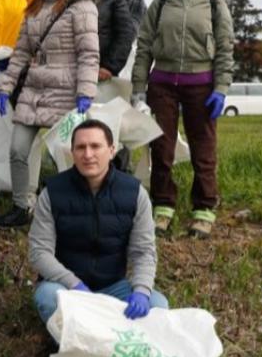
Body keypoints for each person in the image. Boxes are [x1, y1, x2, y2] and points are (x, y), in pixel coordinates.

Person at [0, 0, 100, 228]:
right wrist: (6, 87)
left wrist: (85, 93)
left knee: (67, 156)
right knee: (17, 149)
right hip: (34, 90)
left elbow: (89, 53)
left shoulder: (82, 6)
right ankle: (21, 205)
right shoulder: (34, 8)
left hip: (66, 91)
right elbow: (21, 53)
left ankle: (78, 207)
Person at [131, 0, 234, 238]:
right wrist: (139, 88)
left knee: (203, 149)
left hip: (201, 88)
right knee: (160, 148)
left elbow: (225, 49)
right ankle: (163, 206)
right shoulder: (161, 3)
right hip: (161, 86)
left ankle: (204, 208)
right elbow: (144, 47)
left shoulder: (215, 5)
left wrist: (221, 88)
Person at [29, 119, 169, 324]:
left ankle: (118, 346)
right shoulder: (52, 192)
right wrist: (74, 285)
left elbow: (144, 251)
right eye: (80, 147)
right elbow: (39, 252)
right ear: (72, 152)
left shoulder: (134, 192)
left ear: (112, 150)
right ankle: (72, 347)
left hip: (114, 286)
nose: (88, 154)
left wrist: (141, 290)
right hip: (67, 287)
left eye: (95, 146)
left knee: (158, 305)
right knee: (48, 298)